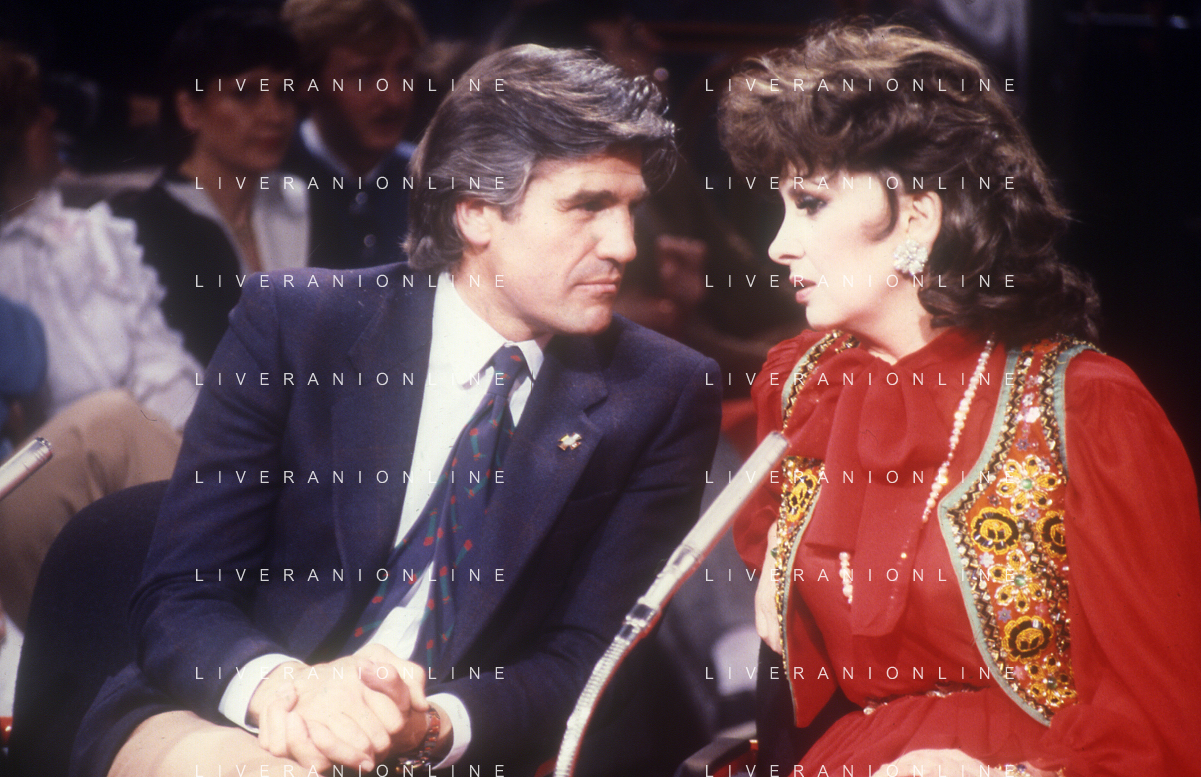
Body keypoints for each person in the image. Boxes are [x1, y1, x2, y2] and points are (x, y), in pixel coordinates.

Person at [72, 44, 721, 777]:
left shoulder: (662, 391)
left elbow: (590, 660)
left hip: (443, 745)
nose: (624, 245)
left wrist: (430, 726)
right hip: (232, 707)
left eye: (631, 208)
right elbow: (180, 597)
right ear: (476, 212)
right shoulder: (297, 324)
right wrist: (292, 692)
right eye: (588, 206)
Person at [719, 20, 1201, 776]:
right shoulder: (806, 386)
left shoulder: (1087, 409)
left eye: (808, 203)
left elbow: (1162, 718)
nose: (778, 244)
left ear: (917, 217)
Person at [111, 8, 307, 365]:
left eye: (284, 93)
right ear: (189, 109)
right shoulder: (142, 227)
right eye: (246, 94)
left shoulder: (304, 202)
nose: (275, 115)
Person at [280, 0, 425, 269]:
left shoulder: (431, 178)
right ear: (306, 83)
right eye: (364, 76)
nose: (394, 98)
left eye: (403, 69)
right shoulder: (270, 181)